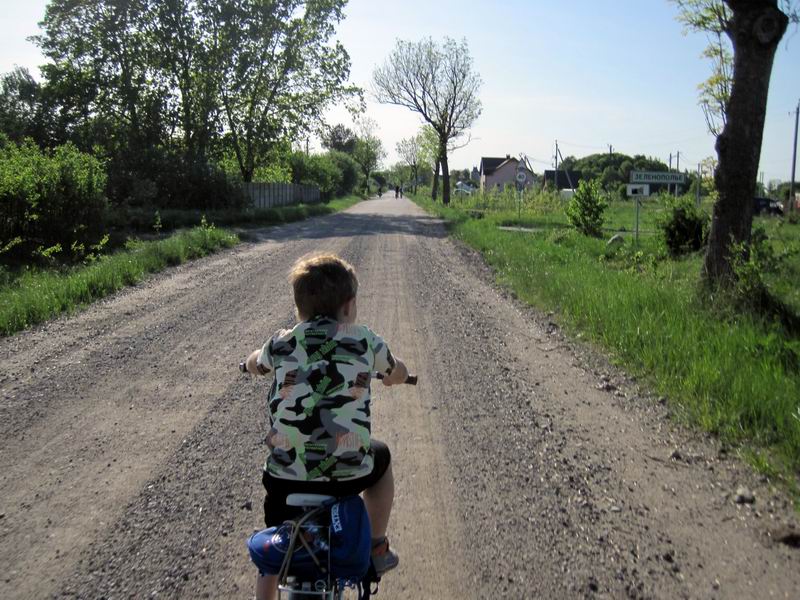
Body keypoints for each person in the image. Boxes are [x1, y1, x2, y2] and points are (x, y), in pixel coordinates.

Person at [244, 254, 409, 600]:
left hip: (284, 477)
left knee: (274, 544)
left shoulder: (281, 342)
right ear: (349, 307)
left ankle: (267, 585)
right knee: (382, 457)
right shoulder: (364, 340)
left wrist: (251, 366)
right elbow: (396, 370)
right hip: (348, 474)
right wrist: (397, 377)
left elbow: (255, 362)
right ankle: (376, 548)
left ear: (298, 308)